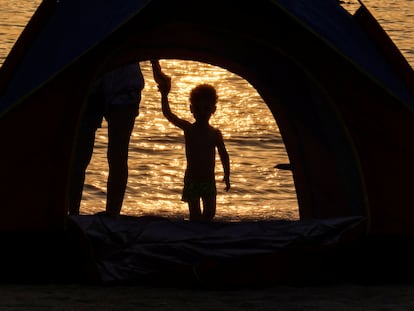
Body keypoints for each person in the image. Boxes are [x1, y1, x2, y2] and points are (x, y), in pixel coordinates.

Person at [151, 60, 230, 222]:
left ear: (213, 110)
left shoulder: (215, 134)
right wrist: (164, 95)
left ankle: (203, 236)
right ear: (192, 109)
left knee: (210, 214)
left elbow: (224, 154)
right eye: (198, 108)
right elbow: (168, 114)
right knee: (194, 216)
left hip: (208, 180)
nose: (202, 112)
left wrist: (227, 174)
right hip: (192, 179)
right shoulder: (189, 129)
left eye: (207, 108)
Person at [69, 62, 145, 216]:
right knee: (80, 156)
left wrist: (157, 69)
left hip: (122, 82)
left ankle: (112, 215)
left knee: (116, 154)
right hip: (92, 80)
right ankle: (73, 214)